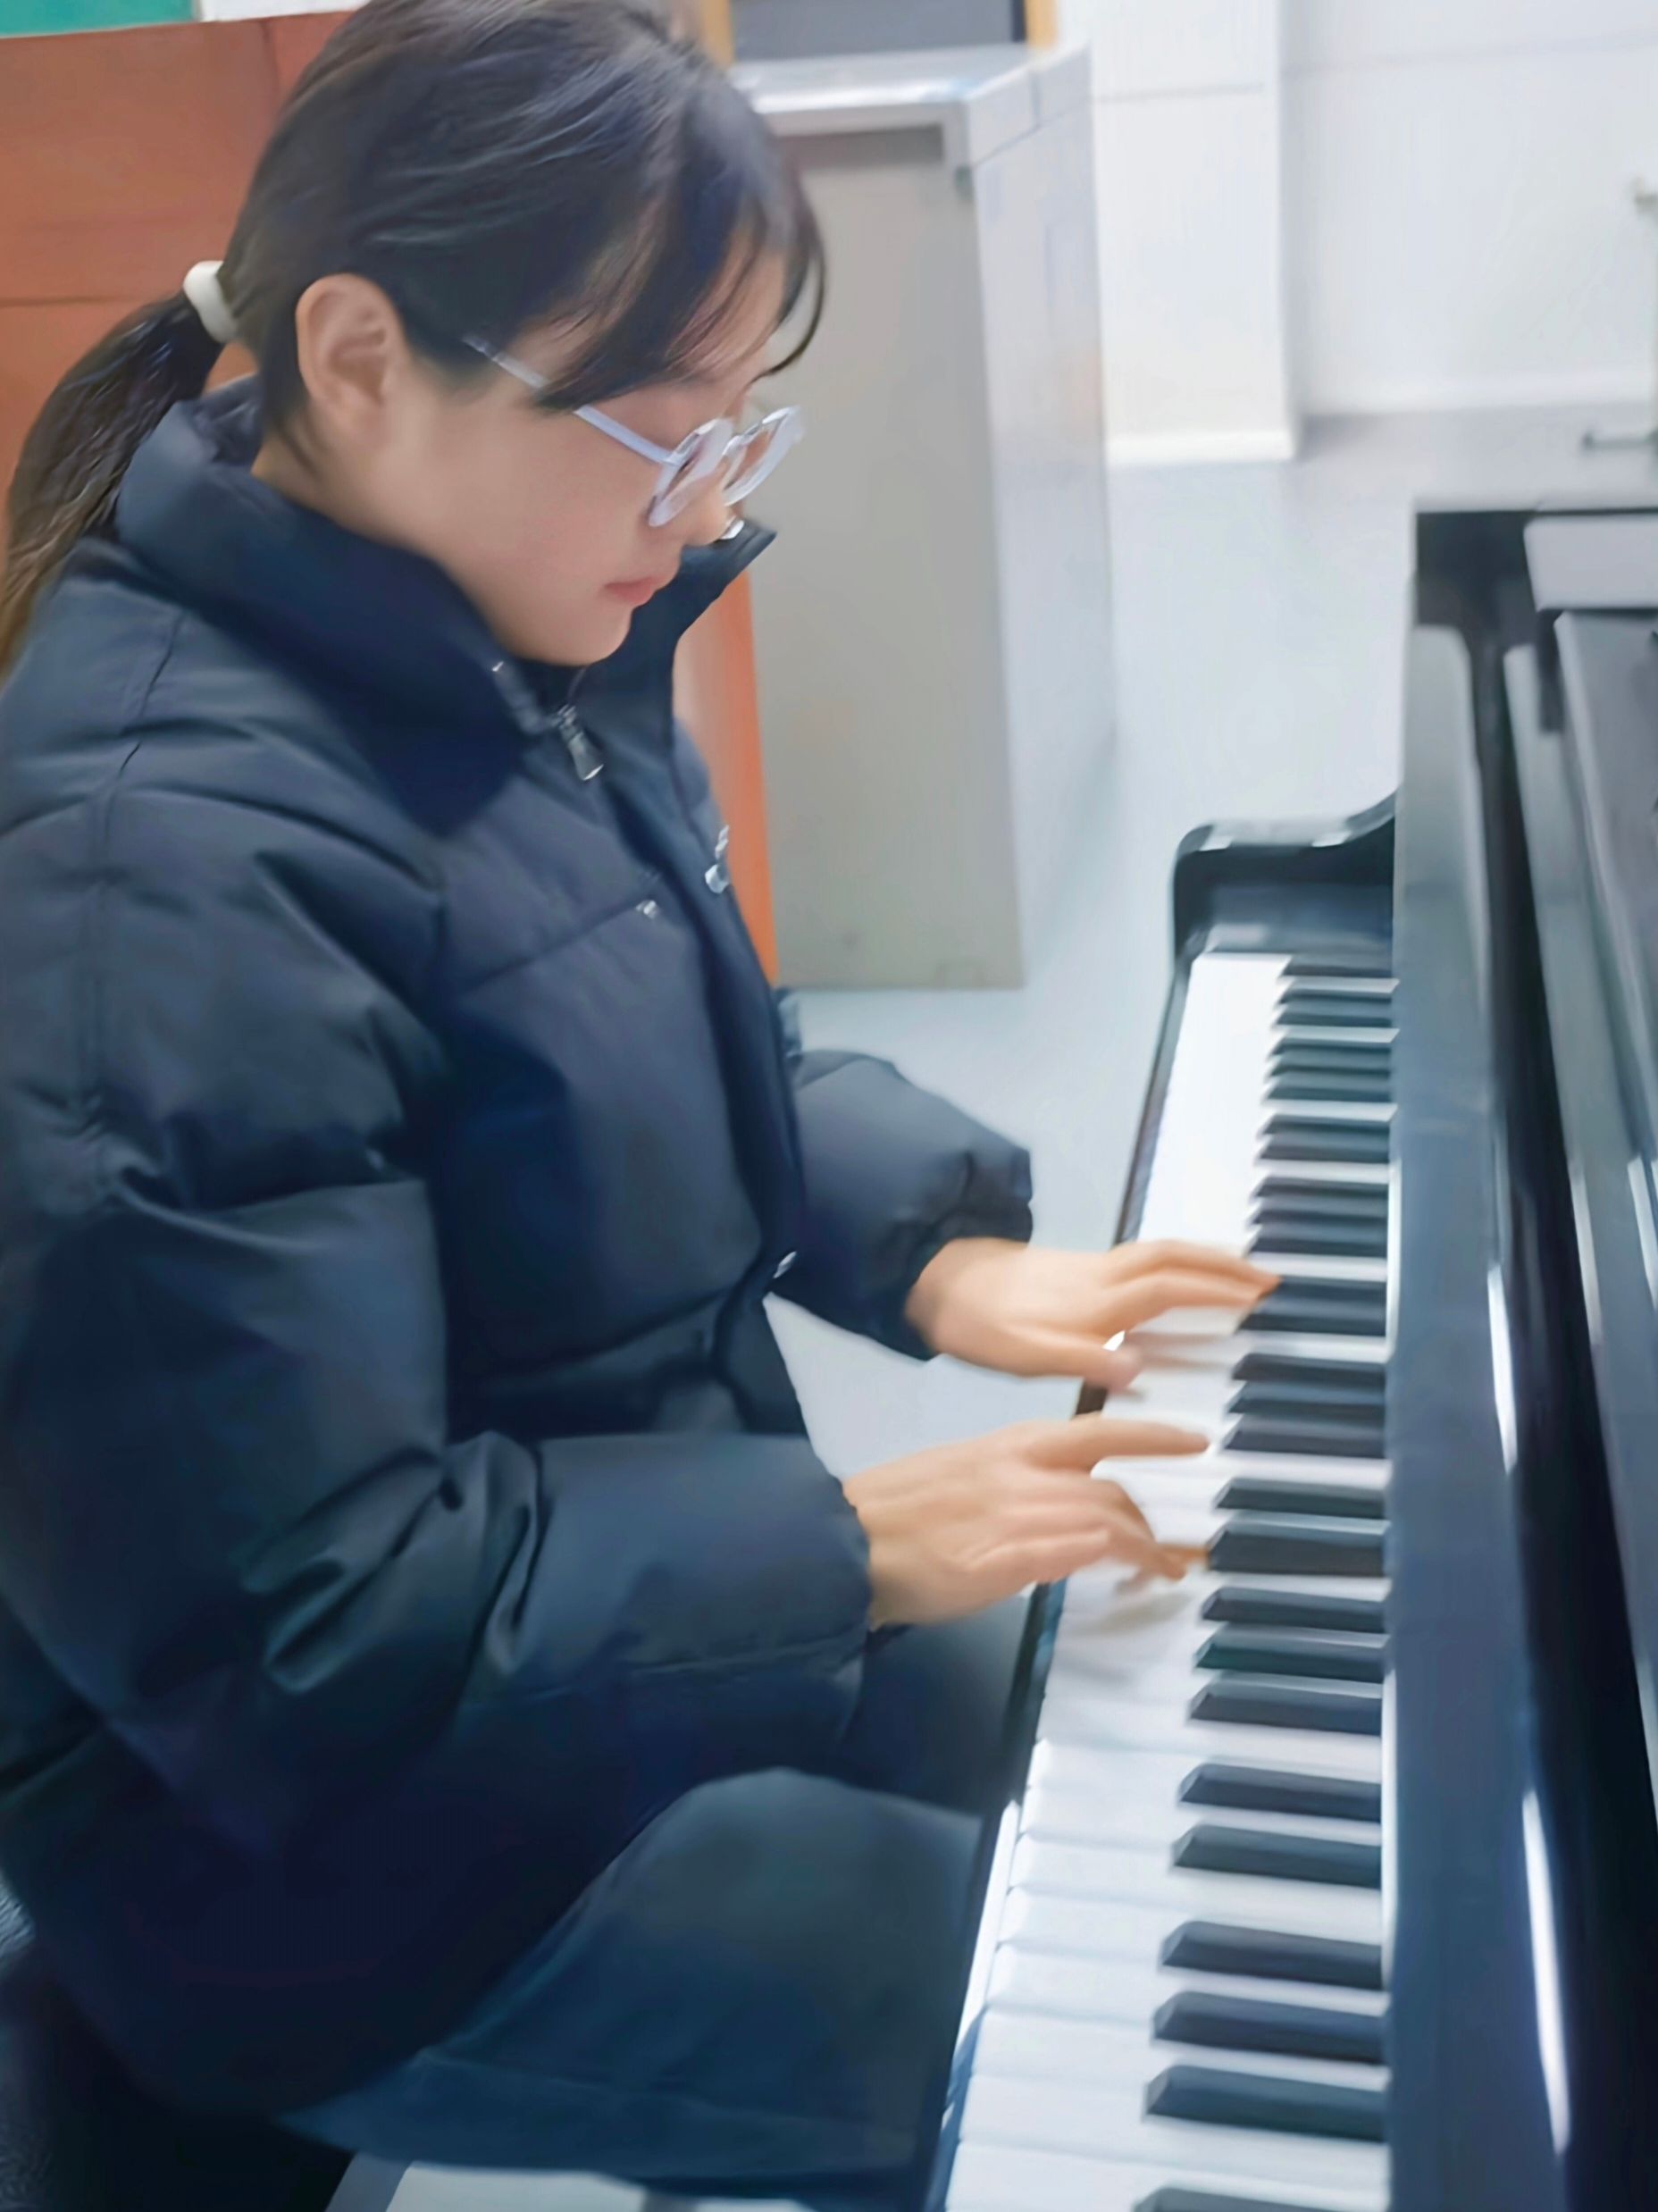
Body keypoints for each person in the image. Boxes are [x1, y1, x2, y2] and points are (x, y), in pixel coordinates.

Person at [0, 4, 1271, 2204]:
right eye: (655, 433)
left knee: (1153, 1742)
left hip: (583, 1621)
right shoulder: (148, 884)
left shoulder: (501, 632)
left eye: (739, 428)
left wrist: (930, 1252)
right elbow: (299, 1633)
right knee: (1104, 2028)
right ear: (360, 355)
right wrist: (847, 1544)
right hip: (331, 1874)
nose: (710, 502)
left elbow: (652, 1034)